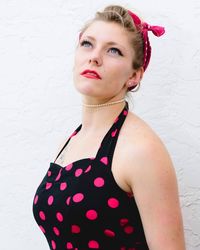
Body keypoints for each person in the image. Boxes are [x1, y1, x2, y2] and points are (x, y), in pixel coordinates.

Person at [32, 5, 186, 250]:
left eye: (113, 50)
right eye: (87, 44)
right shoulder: (70, 141)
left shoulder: (141, 150)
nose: (94, 57)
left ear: (134, 75)